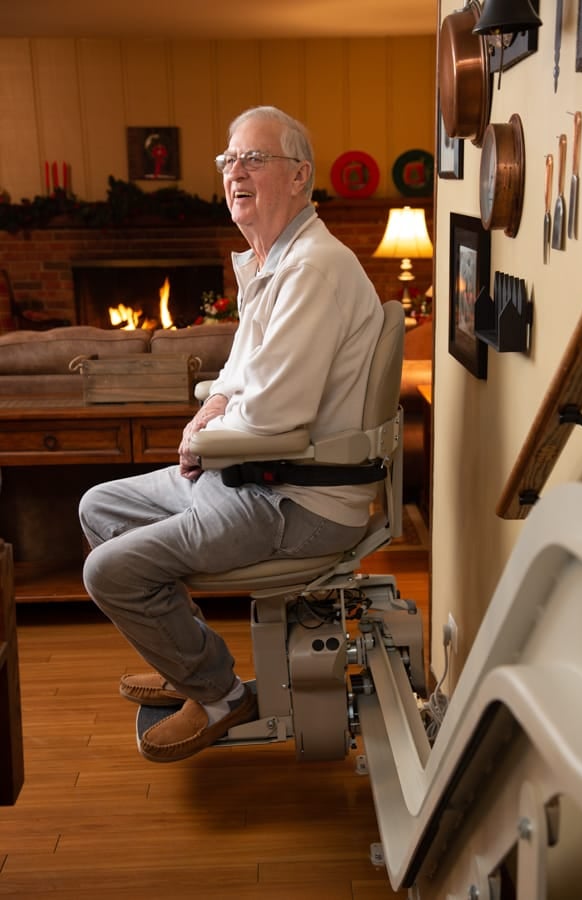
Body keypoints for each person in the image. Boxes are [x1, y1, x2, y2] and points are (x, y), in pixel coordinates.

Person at [79, 106, 384, 763]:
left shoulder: (311, 270)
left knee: (109, 570)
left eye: (254, 158)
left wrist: (200, 444)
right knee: (98, 506)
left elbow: (275, 416)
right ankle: (192, 666)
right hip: (249, 475)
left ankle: (219, 696)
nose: (234, 170)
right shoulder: (273, 260)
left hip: (294, 500)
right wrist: (209, 408)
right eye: (229, 159)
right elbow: (241, 373)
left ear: (300, 176)